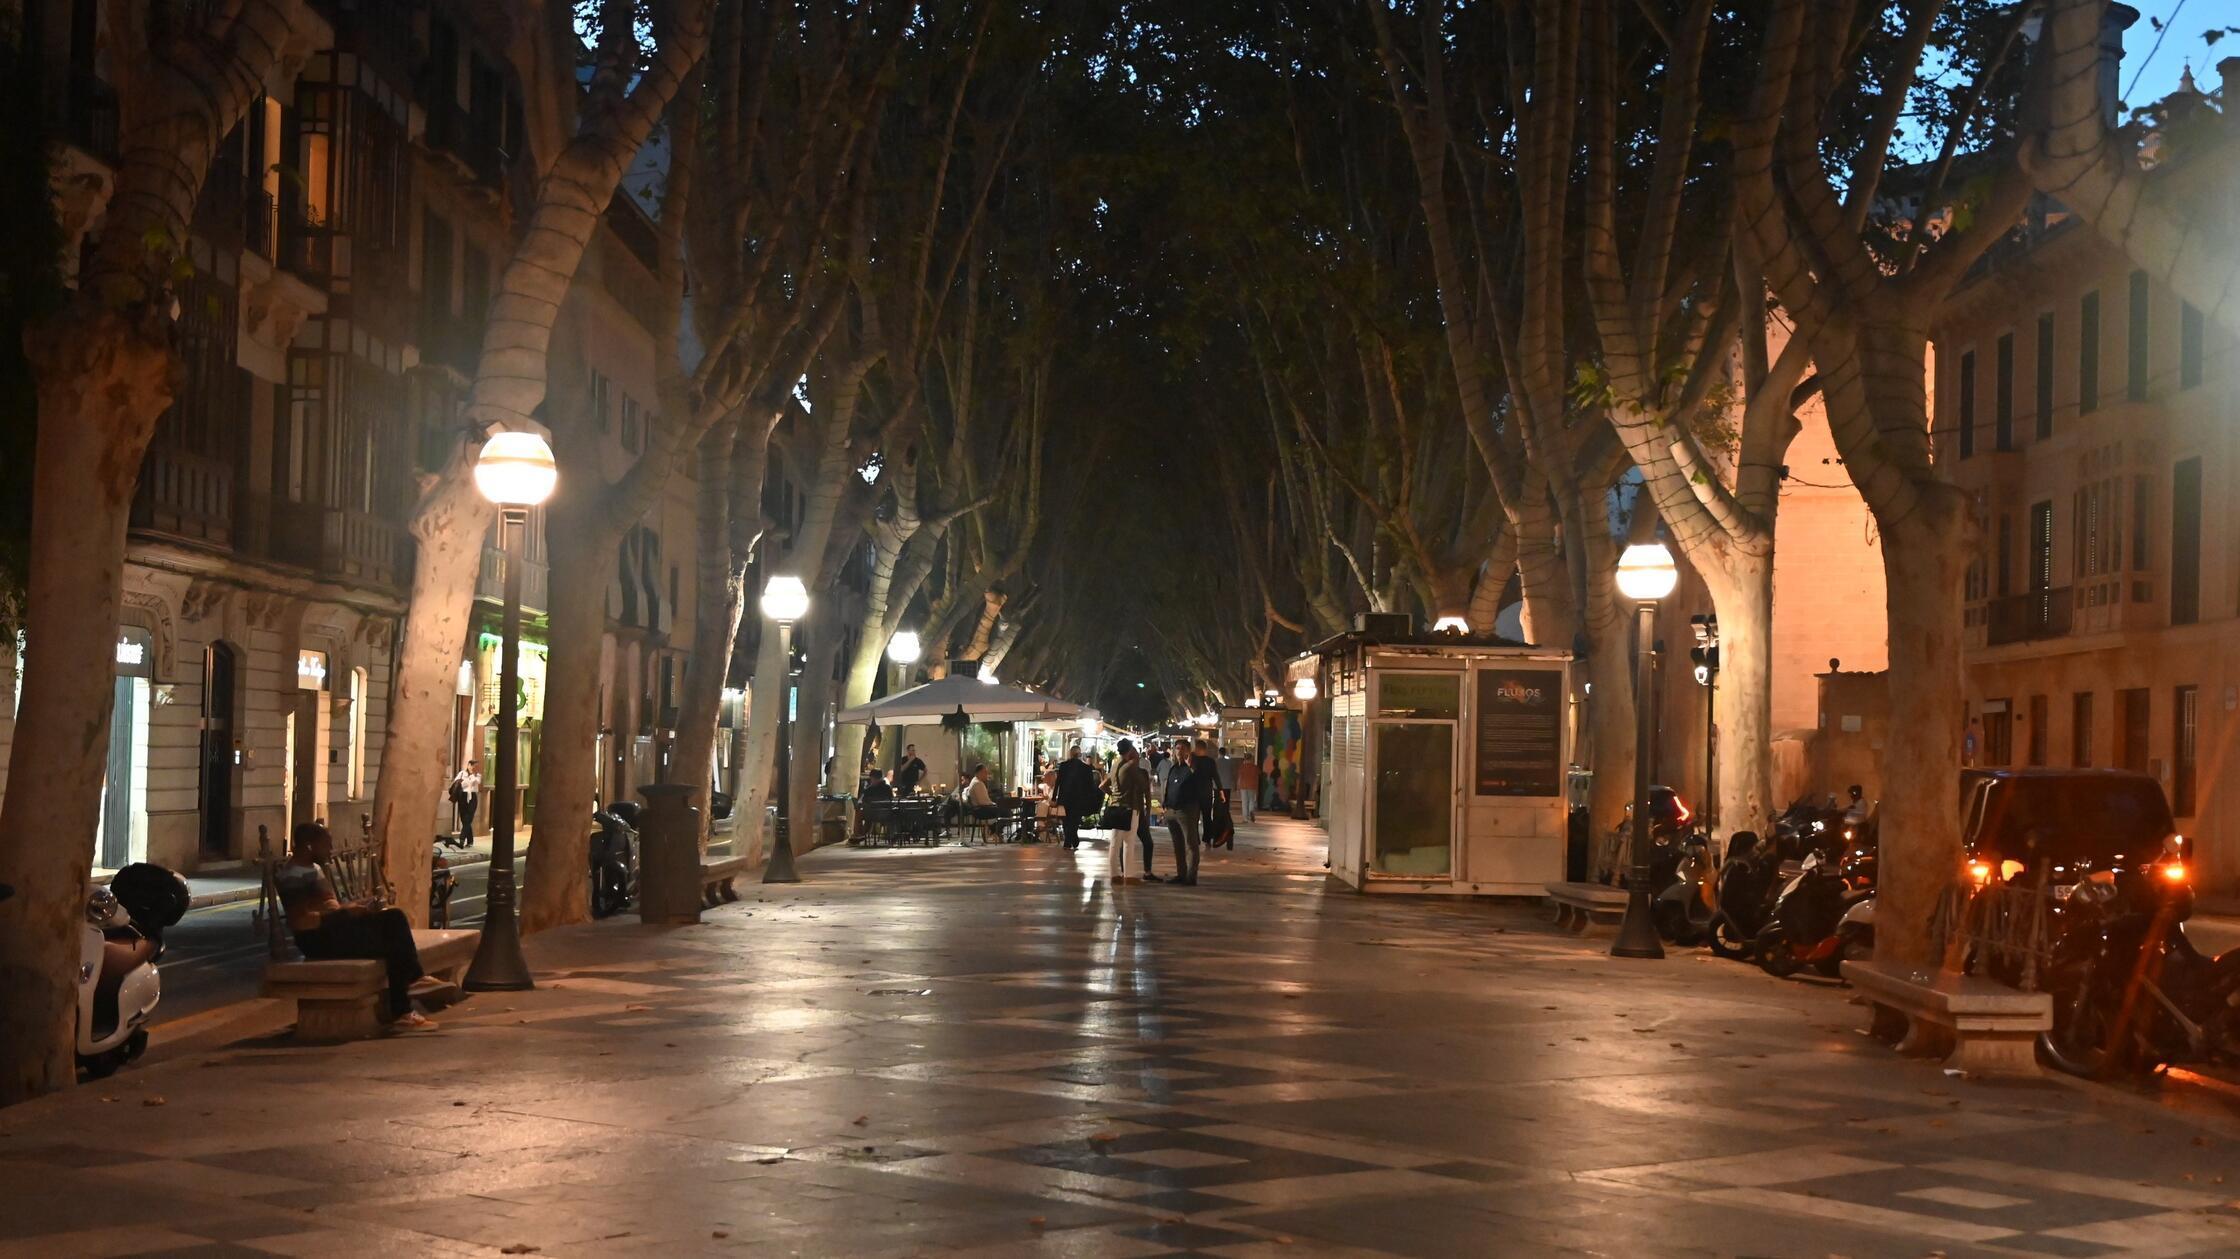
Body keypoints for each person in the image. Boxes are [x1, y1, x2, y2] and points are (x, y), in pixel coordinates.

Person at [276, 823, 436, 1030]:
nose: (329, 851)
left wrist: (354, 907)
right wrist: (344, 914)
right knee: (393, 944)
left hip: (332, 930)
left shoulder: (313, 869)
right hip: (316, 940)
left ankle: (412, 985)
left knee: (394, 918)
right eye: (326, 845)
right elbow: (301, 922)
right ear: (309, 846)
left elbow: (328, 906)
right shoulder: (291, 877)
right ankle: (404, 1004)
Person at [1114, 739, 1159, 882]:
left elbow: (1147, 794)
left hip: (1136, 811)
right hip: (1131, 810)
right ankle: (1126, 872)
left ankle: (1144, 871)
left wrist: (1147, 811)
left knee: (1144, 842)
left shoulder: (1130, 770)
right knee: (1126, 843)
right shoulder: (1128, 770)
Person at [1054, 743, 1097, 851]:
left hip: (1066, 797)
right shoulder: (1086, 768)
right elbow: (1090, 785)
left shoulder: (1063, 766)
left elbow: (1057, 782)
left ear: (1070, 754)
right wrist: (1091, 798)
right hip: (1079, 797)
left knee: (1067, 819)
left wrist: (1054, 797)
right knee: (1075, 820)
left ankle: (1070, 841)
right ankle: (1072, 839)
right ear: (1080, 754)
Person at [448, 762, 482, 841]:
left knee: (469, 818)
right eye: (472, 765)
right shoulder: (462, 773)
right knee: (464, 819)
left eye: (475, 766)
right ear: (468, 765)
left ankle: (462, 838)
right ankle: (470, 840)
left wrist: (472, 776)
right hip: (463, 796)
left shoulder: (478, 775)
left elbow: (477, 782)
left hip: (472, 797)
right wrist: (467, 781)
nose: (473, 767)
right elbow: (457, 783)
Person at [1235, 751, 1260, 823]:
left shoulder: (1242, 767)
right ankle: (1251, 811)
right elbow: (1257, 777)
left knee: (1244, 802)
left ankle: (1245, 818)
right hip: (1252, 786)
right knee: (1251, 800)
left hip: (1243, 786)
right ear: (1251, 759)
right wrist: (1257, 788)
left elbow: (1239, 778)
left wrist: (1237, 788)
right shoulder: (1255, 767)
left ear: (1245, 759)